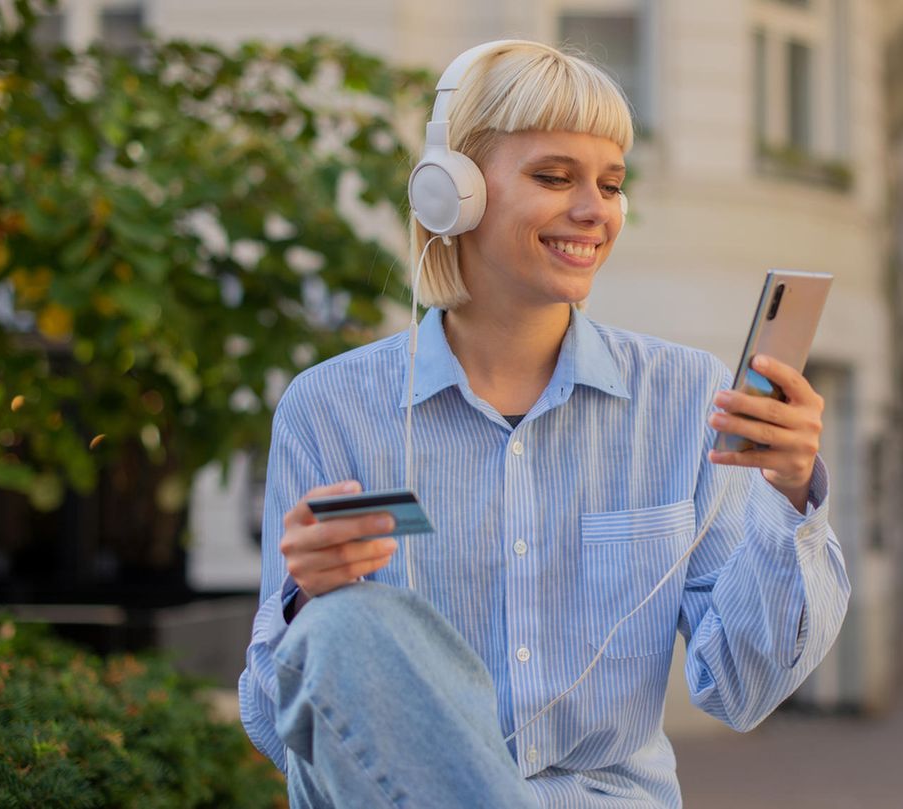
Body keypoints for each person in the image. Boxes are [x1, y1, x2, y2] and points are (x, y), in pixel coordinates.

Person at [238, 40, 851, 808]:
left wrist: (788, 497)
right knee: (343, 633)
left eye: (612, 182)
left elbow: (742, 687)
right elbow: (273, 724)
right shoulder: (331, 408)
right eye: (554, 177)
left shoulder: (685, 401)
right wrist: (305, 603)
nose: (595, 210)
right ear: (452, 192)